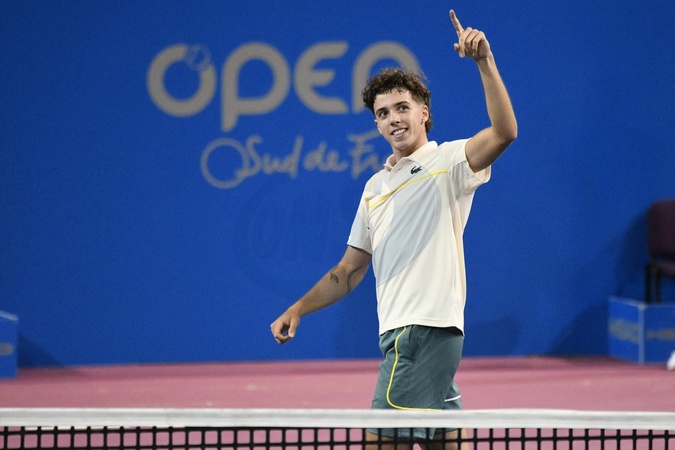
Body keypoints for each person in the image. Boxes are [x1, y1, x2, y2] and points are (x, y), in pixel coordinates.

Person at [270, 8, 517, 450]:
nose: (394, 118)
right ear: (377, 124)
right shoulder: (375, 188)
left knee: (380, 442)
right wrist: (299, 308)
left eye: (402, 107)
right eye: (383, 113)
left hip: (422, 331)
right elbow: (348, 270)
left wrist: (484, 62)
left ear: (424, 113)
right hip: (402, 333)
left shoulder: (448, 162)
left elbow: (504, 133)